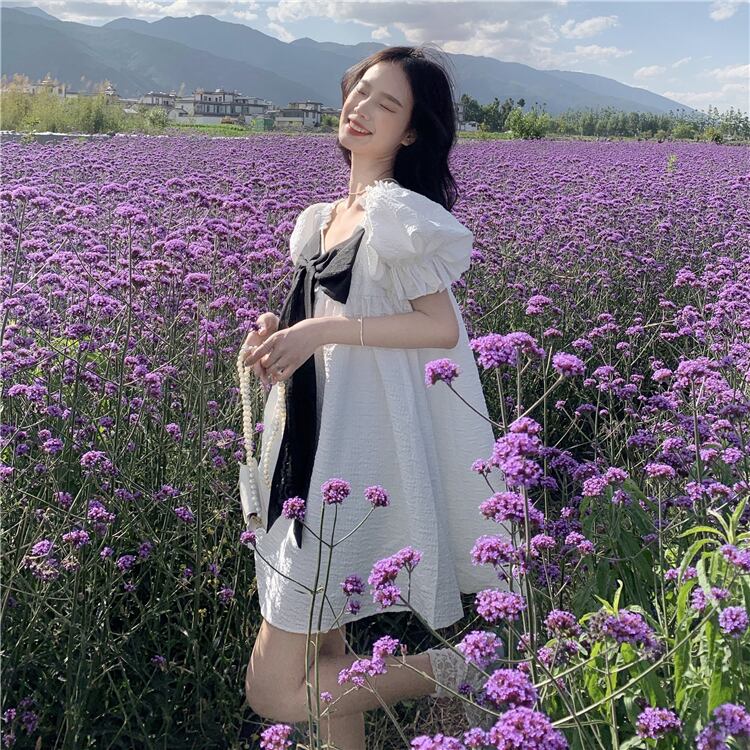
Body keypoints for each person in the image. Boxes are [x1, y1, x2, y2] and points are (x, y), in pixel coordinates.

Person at [240, 46, 511, 747]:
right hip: (309, 438)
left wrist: (324, 332)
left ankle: (463, 668)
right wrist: (277, 332)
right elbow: (323, 311)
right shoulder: (324, 217)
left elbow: (438, 325)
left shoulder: (397, 215)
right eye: (360, 92)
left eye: (386, 104)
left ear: (411, 132)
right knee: (327, 652)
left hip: (353, 451)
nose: (361, 109)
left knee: (275, 688)